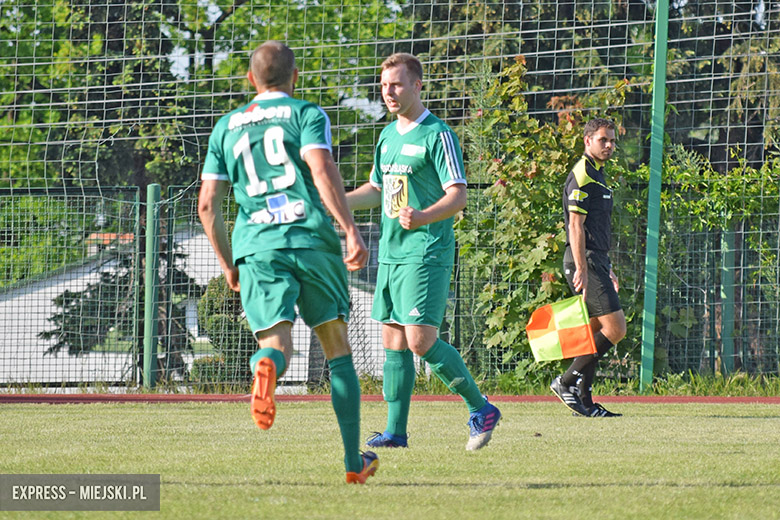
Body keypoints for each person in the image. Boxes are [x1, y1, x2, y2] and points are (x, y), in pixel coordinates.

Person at [198, 40, 378, 483]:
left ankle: (269, 369)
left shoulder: (226, 126)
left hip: (257, 245)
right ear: (295, 77)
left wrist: (227, 263)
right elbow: (320, 170)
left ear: (250, 79)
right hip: (311, 240)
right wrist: (351, 230)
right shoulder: (306, 114)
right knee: (337, 349)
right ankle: (354, 463)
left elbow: (207, 205)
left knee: (277, 346)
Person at [347, 53, 501, 450]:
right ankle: (395, 432)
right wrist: (335, 201)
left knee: (419, 339)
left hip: (427, 251)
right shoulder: (386, 137)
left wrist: (423, 216)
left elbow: (459, 195)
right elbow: (377, 191)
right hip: (393, 254)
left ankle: (480, 407)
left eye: (397, 84)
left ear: (417, 85)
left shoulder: (438, 134)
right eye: (384, 86)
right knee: (393, 339)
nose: (389, 93)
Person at [551, 117, 627, 418]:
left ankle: (585, 401)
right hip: (584, 261)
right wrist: (583, 267)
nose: (609, 145)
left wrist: (606, 267)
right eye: (602, 140)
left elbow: (596, 227)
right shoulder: (582, 173)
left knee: (594, 330)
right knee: (616, 328)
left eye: (612, 141)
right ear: (587, 141)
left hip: (597, 260)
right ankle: (565, 382)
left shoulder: (599, 174)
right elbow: (575, 224)